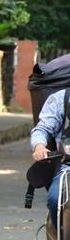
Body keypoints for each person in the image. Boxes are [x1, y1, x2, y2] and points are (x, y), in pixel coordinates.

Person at [31, 89, 69, 227]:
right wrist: (39, 146)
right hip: (67, 166)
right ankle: (61, 238)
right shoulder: (61, 99)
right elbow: (42, 129)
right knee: (55, 199)